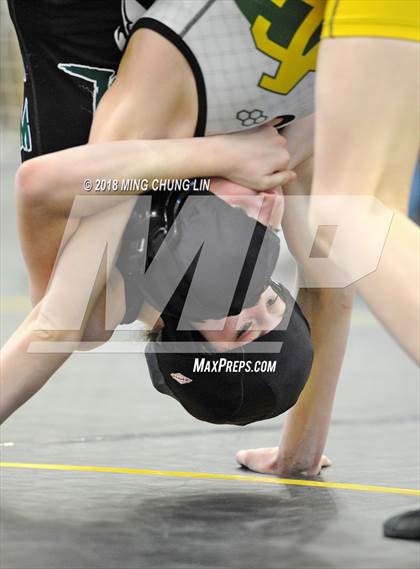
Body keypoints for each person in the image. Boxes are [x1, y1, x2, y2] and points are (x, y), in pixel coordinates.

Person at [7, 0, 418, 539]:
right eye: (273, 304)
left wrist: (219, 156)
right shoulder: (244, 215)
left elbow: (47, 188)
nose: (255, 299)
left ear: (188, 343)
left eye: (244, 327)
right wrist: (299, 453)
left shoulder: (102, 295)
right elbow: (330, 284)